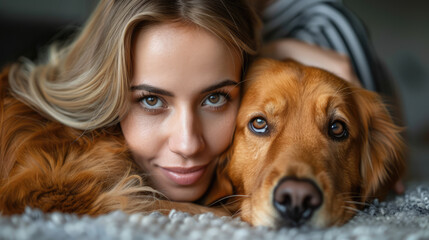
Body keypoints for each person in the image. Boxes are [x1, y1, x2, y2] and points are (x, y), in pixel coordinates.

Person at [2, 0, 401, 207]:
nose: (189, 144)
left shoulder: (326, 30)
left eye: (215, 97)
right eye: (152, 100)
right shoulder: (51, 141)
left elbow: (387, 170)